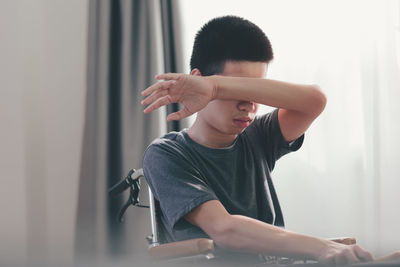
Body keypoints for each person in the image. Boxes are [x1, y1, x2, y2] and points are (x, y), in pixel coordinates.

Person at [141, 16, 398, 265]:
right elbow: (225, 229)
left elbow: (315, 101)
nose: (249, 105)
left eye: (253, 90)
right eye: (236, 87)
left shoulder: (257, 136)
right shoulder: (166, 154)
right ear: (197, 80)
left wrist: (219, 86)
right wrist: (323, 247)